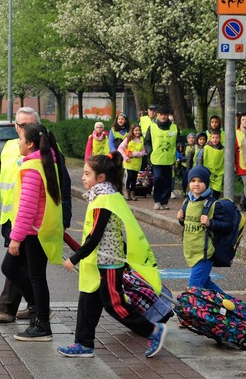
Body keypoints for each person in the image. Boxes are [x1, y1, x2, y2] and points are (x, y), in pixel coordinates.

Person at [58, 153, 167, 359]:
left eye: (87, 174)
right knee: (88, 301)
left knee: (115, 305)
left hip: (107, 263)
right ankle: (83, 344)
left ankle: (153, 330)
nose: (83, 177)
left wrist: (74, 258)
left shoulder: (104, 201)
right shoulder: (107, 195)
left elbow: (95, 235)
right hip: (99, 261)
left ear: (100, 178)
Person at [0, 107, 72, 323]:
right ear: (15, 126)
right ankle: (34, 308)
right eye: (20, 124)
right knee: (19, 268)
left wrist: (64, 220)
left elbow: (63, 188)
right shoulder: (9, 148)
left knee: (24, 268)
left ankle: (21, 311)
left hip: (35, 224)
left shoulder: (50, 153)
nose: (23, 128)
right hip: (13, 220)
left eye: (28, 124)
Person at [1, 122, 65, 342]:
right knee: (29, 274)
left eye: (20, 139)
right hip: (39, 229)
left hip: (33, 232)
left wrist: (15, 238)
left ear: (29, 144)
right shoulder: (45, 162)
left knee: (31, 275)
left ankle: (42, 323)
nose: (18, 143)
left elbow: (27, 208)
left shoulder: (32, 168)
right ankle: (40, 312)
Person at [176, 165, 230, 292]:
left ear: (206, 183)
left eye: (201, 181)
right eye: (193, 181)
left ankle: (193, 311)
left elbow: (226, 225)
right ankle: (230, 306)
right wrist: (181, 219)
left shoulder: (213, 204)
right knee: (206, 283)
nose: (196, 184)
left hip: (205, 254)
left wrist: (210, 223)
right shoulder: (187, 202)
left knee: (194, 289)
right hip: (191, 252)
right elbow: (189, 224)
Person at [144, 105, 178, 210]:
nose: (163, 117)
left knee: (167, 181)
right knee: (158, 179)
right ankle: (157, 201)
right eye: (161, 115)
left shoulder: (174, 127)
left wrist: (181, 145)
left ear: (168, 116)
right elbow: (147, 142)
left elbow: (179, 139)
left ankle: (164, 201)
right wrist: (150, 151)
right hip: (156, 158)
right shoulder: (152, 127)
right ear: (157, 115)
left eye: (165, 115)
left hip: (168, 159)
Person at [117, 124, 146, 201]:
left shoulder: (141, 139)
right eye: (136, 130)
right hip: (129, 162)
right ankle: (126, 192)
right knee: (128, 178)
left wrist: (137, 154)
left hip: (137, 162)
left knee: (134, 178)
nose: (137, 132)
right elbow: (120, 148)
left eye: (139, 130)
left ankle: (132, 193)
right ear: (132, 131)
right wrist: (125, 157)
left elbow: (143, 151)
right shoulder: (128, 139)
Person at [196, 130, 224, 199]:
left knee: (216, 193)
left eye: (217, 138)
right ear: (210, 138)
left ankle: (214, 206)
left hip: (218, 175)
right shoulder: (205, 148)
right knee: (206, 192)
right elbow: (199, 159)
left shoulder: (223, 149)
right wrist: (199, 170)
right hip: (207, 173)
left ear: (220, 138)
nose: (215, 140)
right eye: (213, 138)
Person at [235, 112, 246, 213]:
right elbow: (233, 150)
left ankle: (242, 203)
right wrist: (233, 165)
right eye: (243, 119)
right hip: (242, 164)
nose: (245, 121)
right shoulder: (236, 133)